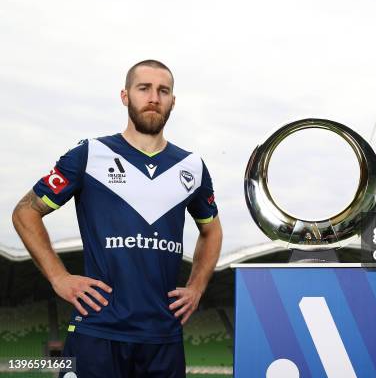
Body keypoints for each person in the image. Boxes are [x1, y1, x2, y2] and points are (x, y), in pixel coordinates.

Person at [12, 59, 223, 378]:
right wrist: (59, 276)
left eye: (163, 90)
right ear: (125, 96)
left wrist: (196, 287)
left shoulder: (192, 167)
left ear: (173, 101)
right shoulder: (89, 154)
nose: (154, 97)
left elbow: (212, 231)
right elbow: (26, 211)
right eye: (144, 88)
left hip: (162, 338)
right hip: (97, 333)